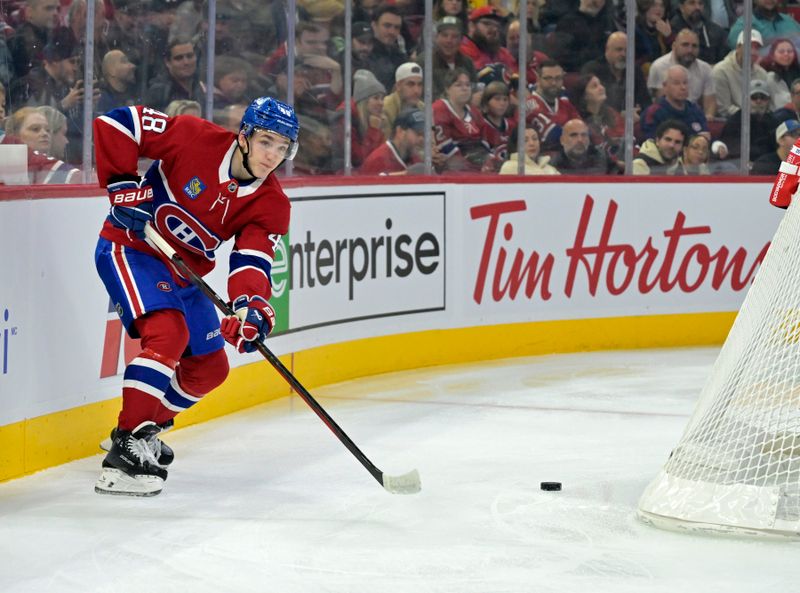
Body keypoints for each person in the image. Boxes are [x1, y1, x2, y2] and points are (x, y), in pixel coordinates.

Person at [92, 97, 299, 496]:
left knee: (210, 369)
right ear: (245, 136)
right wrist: (121, 183)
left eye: (282, 146)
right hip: (131, 249)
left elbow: (251, 261)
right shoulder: (193, 137)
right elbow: (117, 122)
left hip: (184, 275)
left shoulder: (272, 203)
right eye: (266, 141)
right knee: (168, 336)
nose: (273, 155)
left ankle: (143, 428)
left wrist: (250, 307)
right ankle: (124, 449)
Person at [647, 28, 716, 118]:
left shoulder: (705, 68)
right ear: (674, 46)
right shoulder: (659, 66)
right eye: (685, 45)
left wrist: (709, 117)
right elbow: (660, 102)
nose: (690, 50)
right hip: (666, 118)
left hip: (694, 117)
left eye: (694, 46)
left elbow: (710, 102)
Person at [360, 108, 426, 175]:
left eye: (424, 134)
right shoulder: (377, 161)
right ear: (400, 131)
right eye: (418, 133)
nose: (422, 139)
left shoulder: (414, 158)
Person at [549, 118, 616, 174]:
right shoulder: (553, 166)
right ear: (562, 140)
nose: (580, 140)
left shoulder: (602, 157)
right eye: (574, 135)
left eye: (584, 135)